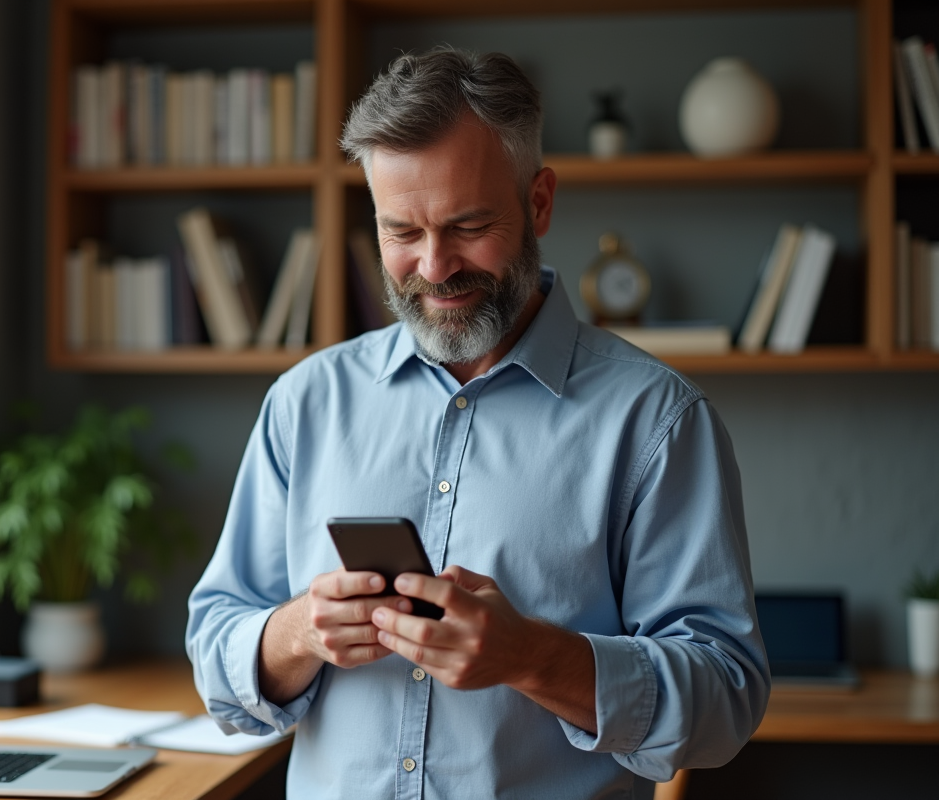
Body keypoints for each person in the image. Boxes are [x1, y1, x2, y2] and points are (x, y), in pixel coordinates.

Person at [186, 47, 769, 800]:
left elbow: (725, 702)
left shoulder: (656, 422)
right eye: (401, 232)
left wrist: (533, 658)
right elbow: (215, 648)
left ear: (540, 203)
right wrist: (299, 632)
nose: (434, 267)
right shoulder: (305, 404)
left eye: (467, 225)